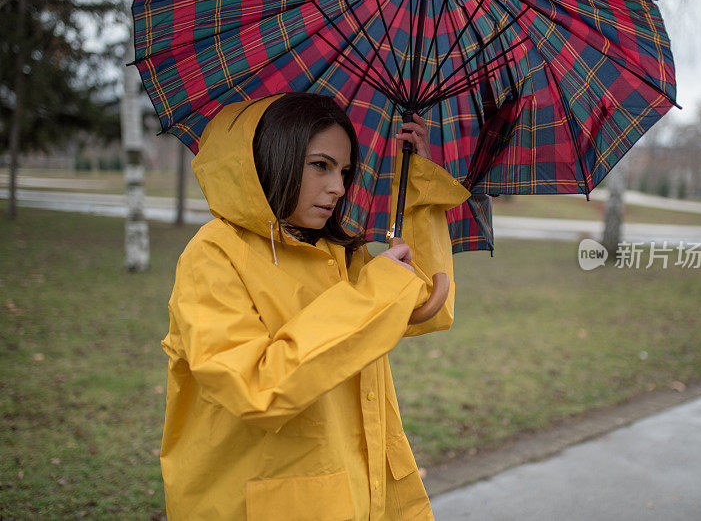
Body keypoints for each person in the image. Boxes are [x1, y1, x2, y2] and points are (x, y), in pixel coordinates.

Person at [159, 92, 470, 520]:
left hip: (361, 494)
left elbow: (427, 305)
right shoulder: (214, 254)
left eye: (344, 171)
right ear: (275, 156)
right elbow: (255, 388)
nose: (338, 188)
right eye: (320, 165)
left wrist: (417, 185)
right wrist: (373, 293)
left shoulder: (339, 253)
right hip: (260, 501)